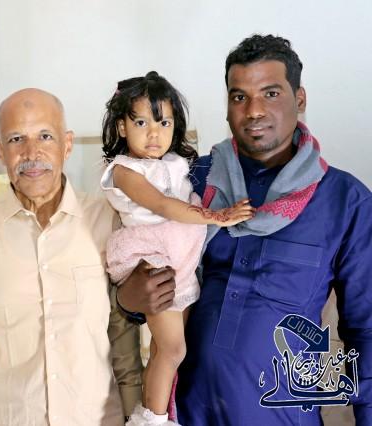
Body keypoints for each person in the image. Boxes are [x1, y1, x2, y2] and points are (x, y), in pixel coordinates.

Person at [170, 34, 372, 425]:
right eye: (239, 96)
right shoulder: (193, 181)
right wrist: (131, 299)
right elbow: (150, 283)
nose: (254, 111)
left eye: (271, 93)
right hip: (187, 412)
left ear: (300, 99)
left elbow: (366, 331)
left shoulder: (346, 202)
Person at [0, 88, 176, 425]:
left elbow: (123, 340)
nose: (31, 153)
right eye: (16, 139)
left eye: (45, 136)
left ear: (67, 144)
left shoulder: (107, 220)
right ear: (0, 150)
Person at [100, 71, 254, 426]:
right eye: (141, 122)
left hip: (181, 258)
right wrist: (218, 216)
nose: (154, 134)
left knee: (164, 350)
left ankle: (160, 411)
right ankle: (152, 421)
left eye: (164, 123)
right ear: (122, 127)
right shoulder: (123, 170)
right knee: (173, 349)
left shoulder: (176, 163)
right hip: (152, 258)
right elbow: (162, 205)